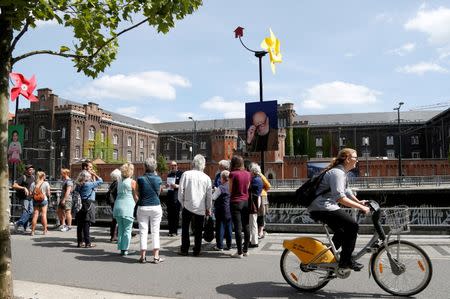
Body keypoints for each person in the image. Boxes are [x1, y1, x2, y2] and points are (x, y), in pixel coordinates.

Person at [308, 148, 370, 271]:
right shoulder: (337, 173)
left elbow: (346, 191)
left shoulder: (342, 173)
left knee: (342, 232)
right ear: (347, 159)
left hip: (325, 206)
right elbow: (340, 198)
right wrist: (361, 207)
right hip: (321, 207)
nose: (357, 160)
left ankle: (329, 258)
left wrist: (359, 202)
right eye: (355, 157)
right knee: (353, 226)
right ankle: (345, 261)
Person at [178, 154, 212, 257]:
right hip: (200, 207)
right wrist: (208, 208)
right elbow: (209, 196)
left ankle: (184, 249)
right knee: (198, 230)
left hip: (187, 205)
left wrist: (183, 203)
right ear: (203, 165)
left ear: (193, 163)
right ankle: (197, 250)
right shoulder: (206, 178)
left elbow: (180, 191)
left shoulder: (186, 174)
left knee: (185, 229)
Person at [136, 157, 164, 263]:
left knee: (143, 231)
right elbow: (159, 192)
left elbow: (137, 192)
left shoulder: (140, 179)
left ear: (145, 167)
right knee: (155, 231)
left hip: (142, 206)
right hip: (156, 206)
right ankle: (156, 257)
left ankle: (142, 256)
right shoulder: (158, 179)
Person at [229, 155, 252, 258]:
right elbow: (247, 188)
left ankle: (239, 252)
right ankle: (245, 250)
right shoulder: (248, 174)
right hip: (246, 201)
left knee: (238, 228)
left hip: (235, 202)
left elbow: (230, 190)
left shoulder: (232, 174)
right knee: (246, 226)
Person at [113, 163, 138, 256]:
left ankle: (121, 248)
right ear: (131, 171)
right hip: (128, 206)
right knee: (127, 229)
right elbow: (135, 196)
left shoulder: (119, 181)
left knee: (121, 228)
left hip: (118, 206)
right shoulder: (132, 182)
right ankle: (125, 249)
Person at [75, 169, 103, 248]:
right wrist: (95, 174)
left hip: (79, 204)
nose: (90, 178)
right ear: (86, 177)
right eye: (89, 177)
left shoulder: (78, 184)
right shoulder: (88, 184)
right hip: (87, 204)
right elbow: (100, 181)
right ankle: (88, 243)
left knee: (79, 225)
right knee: (86, 224)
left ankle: (79, 242)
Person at [212, 170, 232, 251]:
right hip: (229, 209)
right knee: (229, 228)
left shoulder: (221, 187)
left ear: (222, 178)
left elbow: (213, 197)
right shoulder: (231, 186)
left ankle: (220, 246)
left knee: (220, 227)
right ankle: (229, 245)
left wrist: (215, 190)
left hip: (221, 210)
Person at [13, 164, 35, 232]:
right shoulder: (23, 177)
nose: (31, 171)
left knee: (30, 211)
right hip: (24, 198)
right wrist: (24, 188)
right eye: (29, 169)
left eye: (32, 169)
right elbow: (14, 185)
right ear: (26, 170)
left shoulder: (33, 177)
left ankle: (19, 223)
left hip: (30, 197)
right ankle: (25, 226)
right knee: (25, 211)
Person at [30, 171, 51, 236]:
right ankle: (45, 230)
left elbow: (30, 194)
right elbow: (48, 193)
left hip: (35, 200)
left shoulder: (33, 184)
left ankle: (32, 231)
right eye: (44, 176)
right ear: (43, 176)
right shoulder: (46, 183)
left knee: (35, 215)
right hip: (43, 200)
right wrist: (48, 195)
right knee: (43, 215)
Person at [248, 162, 263, 248]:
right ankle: (253, 240)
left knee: (252, 222)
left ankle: (254, 242)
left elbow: (248, 189)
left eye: (250, 171)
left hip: (254, 201)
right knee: (253, 222)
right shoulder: (259, 179)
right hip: (257, 200)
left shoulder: (254, 180)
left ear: (253, 172)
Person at [166, 161, 183, 237]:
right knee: (169, 214)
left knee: (176, 214)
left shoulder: (181, 174)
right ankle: (170, 230)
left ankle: (175, 231)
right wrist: (167, 185)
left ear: (177, 166)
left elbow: (183, 185)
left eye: (175, 165)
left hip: (177, 196)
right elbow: (168, 185)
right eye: (172, 165)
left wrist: (177, 186)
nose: (173, 167)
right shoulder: (169, 174)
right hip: (170, 195)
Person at [106, 169, 121, 242]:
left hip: (112, 202)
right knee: (117, 219)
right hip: (116, 202)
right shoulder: (118, 183)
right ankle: (114, 235)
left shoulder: (113, 183)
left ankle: (113, 235)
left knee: (114, 218)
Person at [257, 172, 271, 239]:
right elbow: (268, 186)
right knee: (261, 215)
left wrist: (263, 190)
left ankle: (261, 232)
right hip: (261, 195)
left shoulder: (260, 175)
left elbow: (268, 186)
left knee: (261, 214)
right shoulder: (259, 175)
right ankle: (261, 231)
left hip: (261, 195)